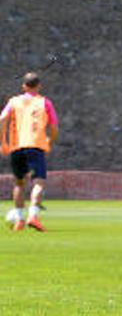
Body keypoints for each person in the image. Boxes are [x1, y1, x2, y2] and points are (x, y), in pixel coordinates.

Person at [0, 72, 59, 232]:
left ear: (24, 86)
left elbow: (2, 119)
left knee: (19, 183)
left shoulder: (14, 101)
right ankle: (33, 215)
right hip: (36, 145)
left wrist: (3, 142)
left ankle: (19, 219)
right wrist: (50, 142)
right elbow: (54, 128)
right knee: (39, 182)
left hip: (16, 147)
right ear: (39, 86)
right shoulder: (45, 103)